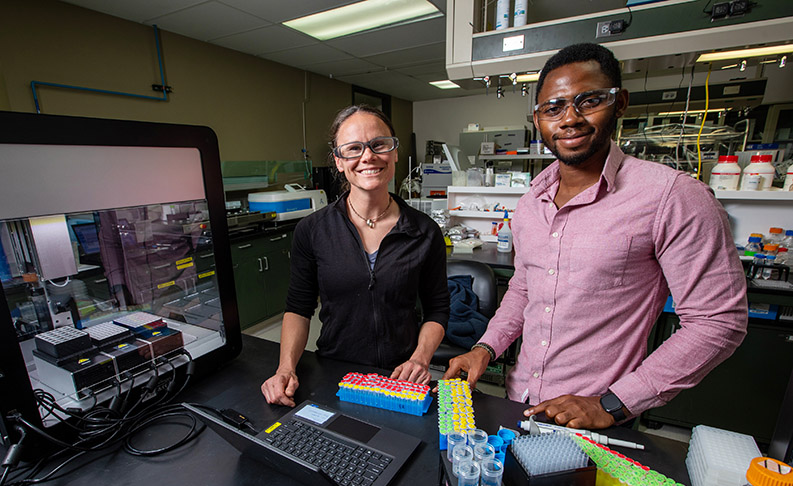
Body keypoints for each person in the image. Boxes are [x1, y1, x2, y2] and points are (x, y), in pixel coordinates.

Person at [442, 43, 748, 429]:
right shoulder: (531, 202)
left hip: (598, 418)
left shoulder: (672, 196)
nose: (569, 119)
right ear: (538, 119)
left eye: (588, 101)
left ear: (619, 103)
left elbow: (718, 321)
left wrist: (613, 403)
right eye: (554, 108)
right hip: (520, 401)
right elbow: (524, 288)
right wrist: (486, 348)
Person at [261, 105, 450, 407]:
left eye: (379, 144)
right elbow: (298, 308)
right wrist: (286, 368)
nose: (368, 157)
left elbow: (437, 309)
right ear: (338, 161)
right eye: (353, 149)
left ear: (395, 151)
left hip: (400, 377)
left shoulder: (424, 231)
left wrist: (420, 358)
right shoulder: (312, 230)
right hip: (334, 374)